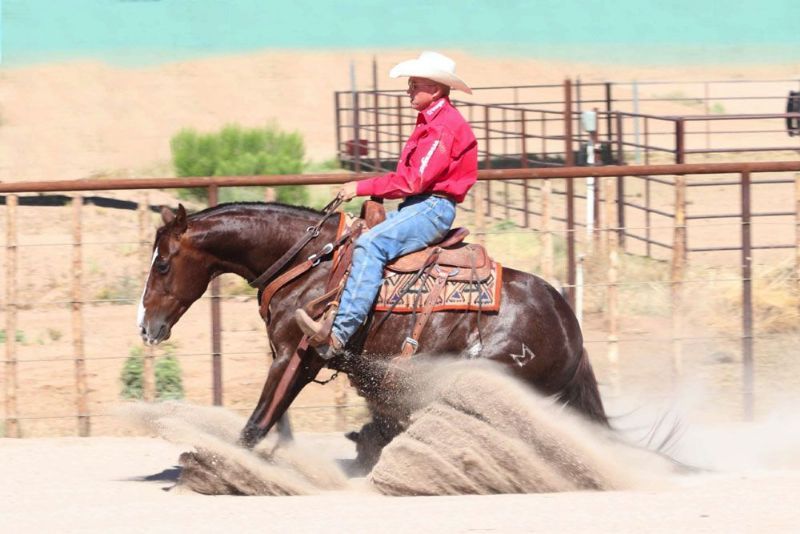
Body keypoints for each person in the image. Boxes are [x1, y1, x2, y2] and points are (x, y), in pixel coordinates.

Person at [295, 51, 478, 358]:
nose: (408, 88)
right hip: (422, 205)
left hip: (431, 207)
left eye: (415, 83)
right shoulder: (432, 122)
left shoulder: (442, 127)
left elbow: (412, 181)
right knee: (355, 237)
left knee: (370, 245)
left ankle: (338, 334)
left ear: (435, 89)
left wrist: (362, 187)